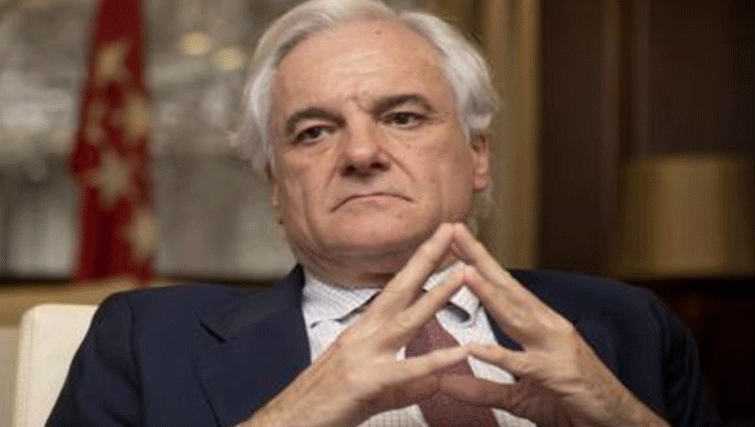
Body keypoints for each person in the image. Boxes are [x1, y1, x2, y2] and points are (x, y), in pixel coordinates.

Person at [47, 0, 719, 426]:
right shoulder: (146, 339)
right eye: (314, 131)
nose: (362, 152)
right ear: (276, 186)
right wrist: (298, 413)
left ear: (477, 156)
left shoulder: (628, 327)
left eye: (403, 117)